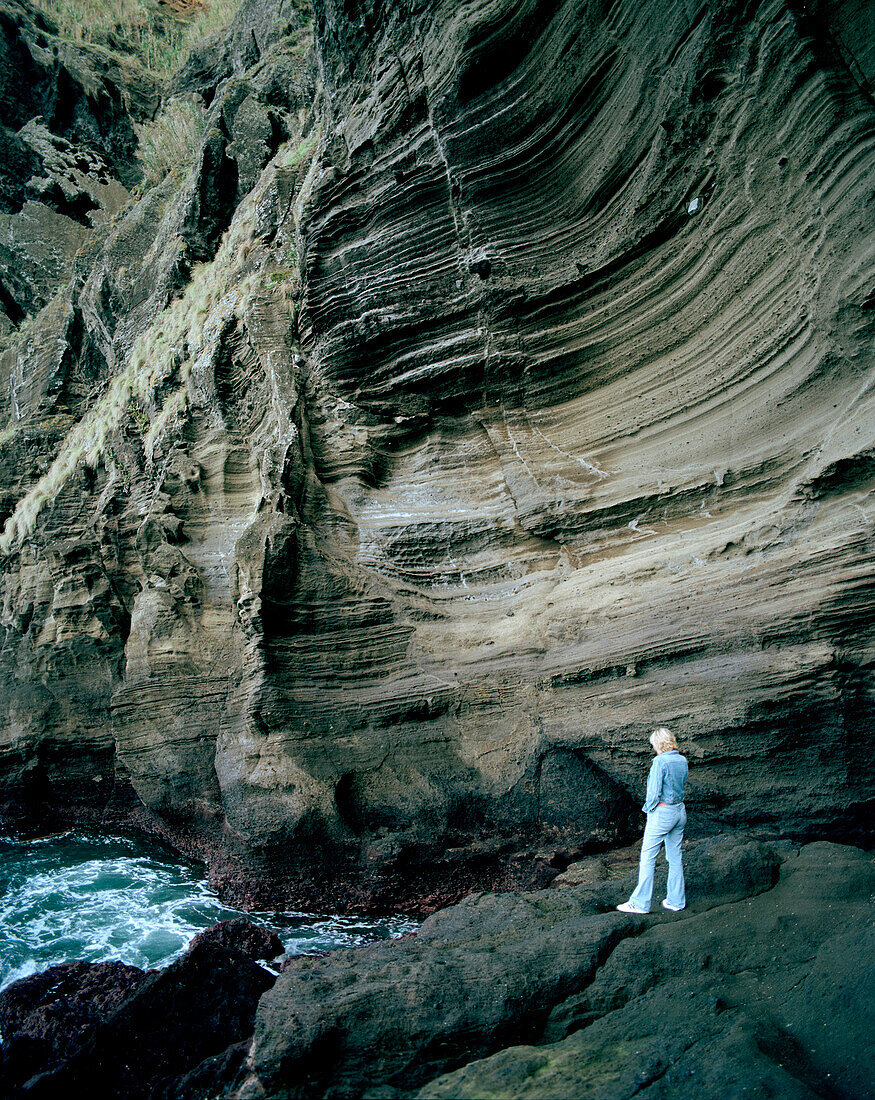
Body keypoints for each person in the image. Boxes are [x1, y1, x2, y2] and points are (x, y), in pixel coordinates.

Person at [617, 727, 688, 914]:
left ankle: (640, 904)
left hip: (663, 812)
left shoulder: (659, 761)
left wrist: (648, 810)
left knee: (648, 857)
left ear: (658, 743)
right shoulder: (682, 760)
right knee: (675, 857)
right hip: (680, 810)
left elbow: (653, 792)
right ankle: (676, 901)